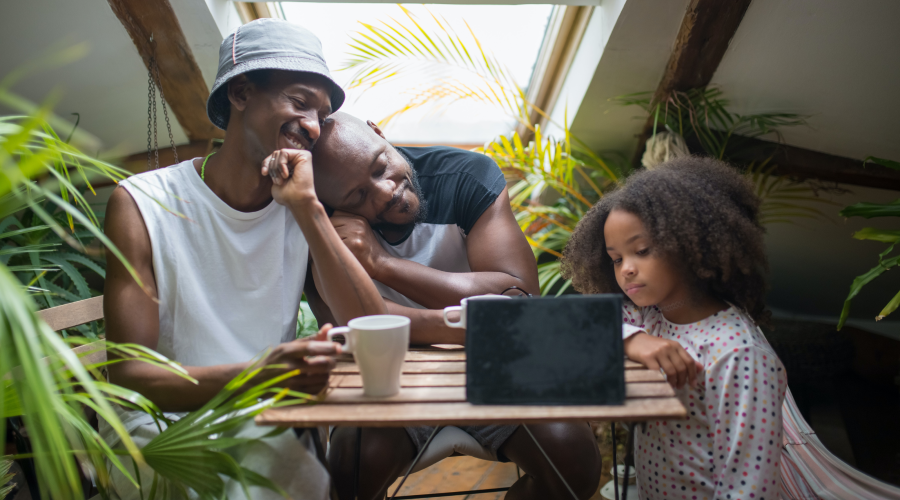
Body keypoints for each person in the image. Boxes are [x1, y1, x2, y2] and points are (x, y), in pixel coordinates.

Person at [101, 19, 385, 499]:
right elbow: (131, 377)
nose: (314, 126)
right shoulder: (141, 202)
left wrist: (308, 209)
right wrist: (258, 375)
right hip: (162, 426)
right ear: (241, 93)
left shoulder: (303, 202)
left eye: (322, 113)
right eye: (300, 102)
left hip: (267, 416)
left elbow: (369, 326)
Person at [301, 112, 601, 500]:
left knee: (575, 464)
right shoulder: (314, 221)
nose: (385, 192)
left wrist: (383, 265)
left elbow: (520, 298)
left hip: (497, 363)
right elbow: (353, 325)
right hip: (391, 376)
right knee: (350, 472)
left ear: (378, 131)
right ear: (328, 204)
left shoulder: (465, 175)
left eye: (380, 167)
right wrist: (462, 325)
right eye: (358, 196)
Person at [561, 156, 788, 500]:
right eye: (617, 258)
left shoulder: (739, 355)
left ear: (689, 241)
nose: (626, 270)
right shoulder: (651, 317)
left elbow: (748, 488)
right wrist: (631, 340)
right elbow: (570, 326)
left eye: (642, 250)